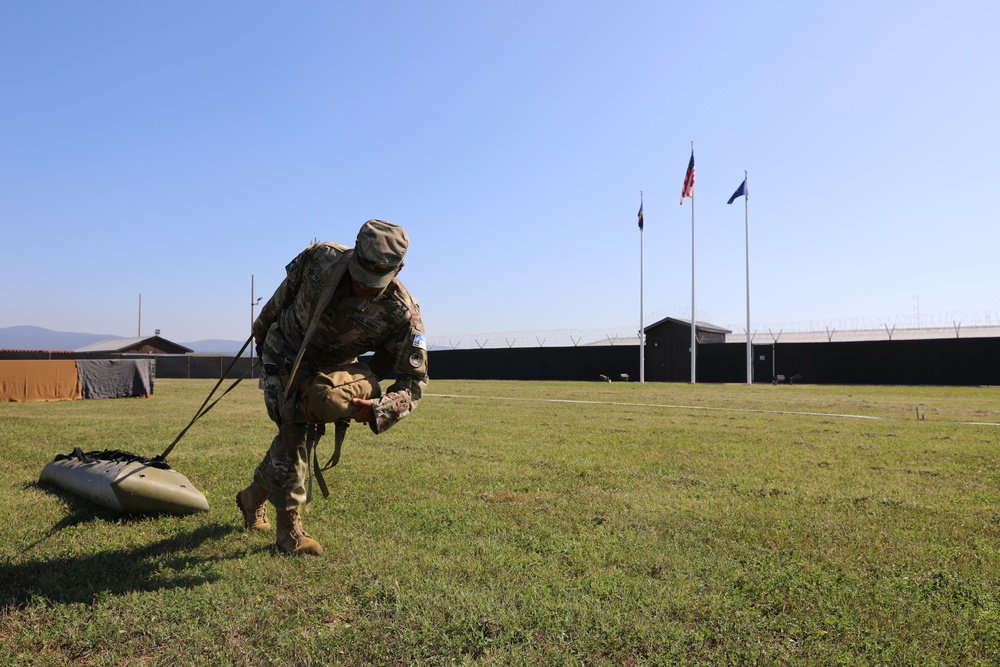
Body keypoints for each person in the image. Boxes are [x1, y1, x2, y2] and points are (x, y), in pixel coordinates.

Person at [236, 219, 428, 556]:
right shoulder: (321, 258)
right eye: (360, 273)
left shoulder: (402, 313)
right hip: (283, 352)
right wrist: (264, 349)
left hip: (328, 373)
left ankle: (252, 497)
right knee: (295, 429)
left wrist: (381, 409)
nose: (364, 286)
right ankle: (290, 534)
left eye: (376, 280)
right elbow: (280, 300)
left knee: (299, 435)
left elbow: (413, 380)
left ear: (400, 267)